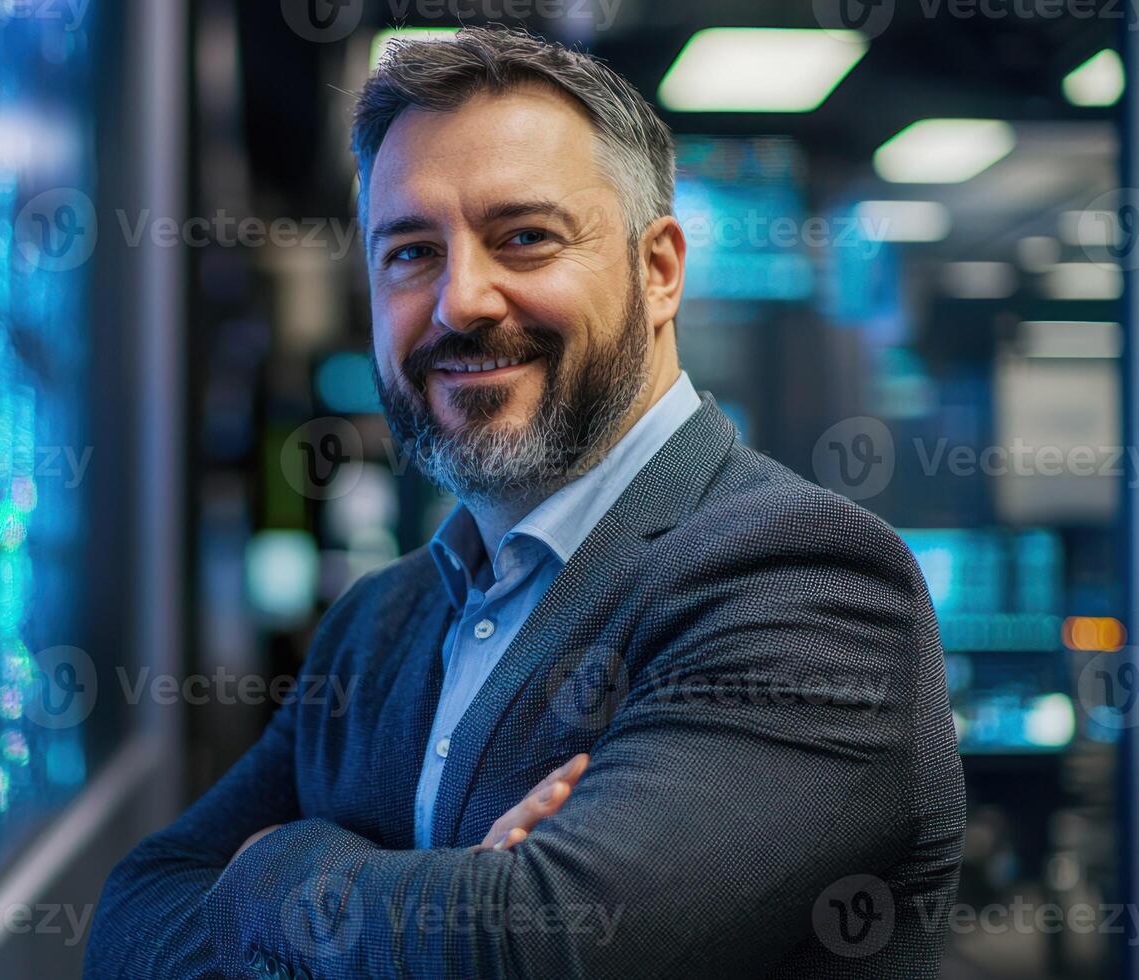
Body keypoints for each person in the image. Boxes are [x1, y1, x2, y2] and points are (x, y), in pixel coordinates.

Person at [87, 25, 964, 978]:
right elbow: (134, 915)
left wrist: (274, 866)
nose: (461, 301)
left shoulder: (804, 583)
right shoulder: (375, 625)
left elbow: (539, 944)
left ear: (658, 270)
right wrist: (449, 901)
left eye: (524, 239)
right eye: (410, 252)